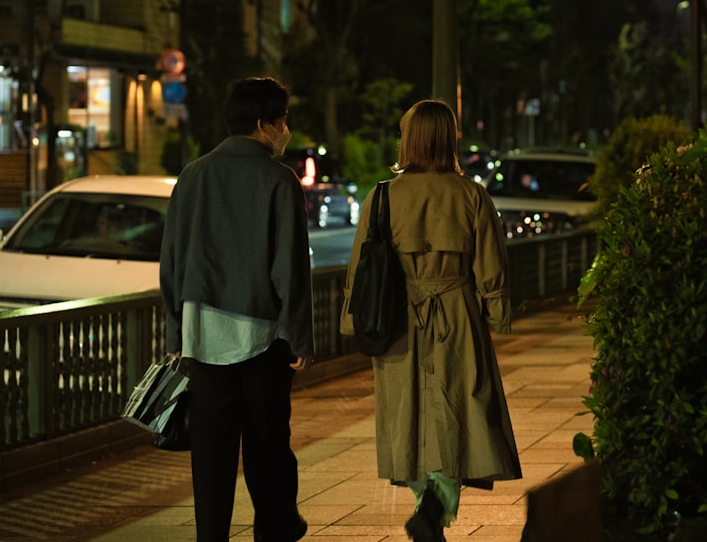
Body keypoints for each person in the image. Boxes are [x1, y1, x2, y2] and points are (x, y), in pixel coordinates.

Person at [341, 99, 522, 542]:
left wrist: (353, 321)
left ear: (412, 141)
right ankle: (436, 505)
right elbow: (491, 266)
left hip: (399, 318)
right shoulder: (471, 195)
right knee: (462, 409)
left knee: (408, 416)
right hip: (457, 313)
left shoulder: (382, 196)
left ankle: (425, 501)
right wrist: (497, 314)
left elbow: (360, 269)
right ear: (448, 140)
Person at [160, 76, 314, 542]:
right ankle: (275, 530)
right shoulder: (278, 180)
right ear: (265, 124)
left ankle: (212, 535)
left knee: (210, 453)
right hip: (263, 337)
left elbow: (172, 259)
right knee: (268, 448)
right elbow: (290, 267)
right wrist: (301, 337)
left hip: (202, 336)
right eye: (283, 120)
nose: (286, 129)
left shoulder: (194, 175)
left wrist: (174, 335)